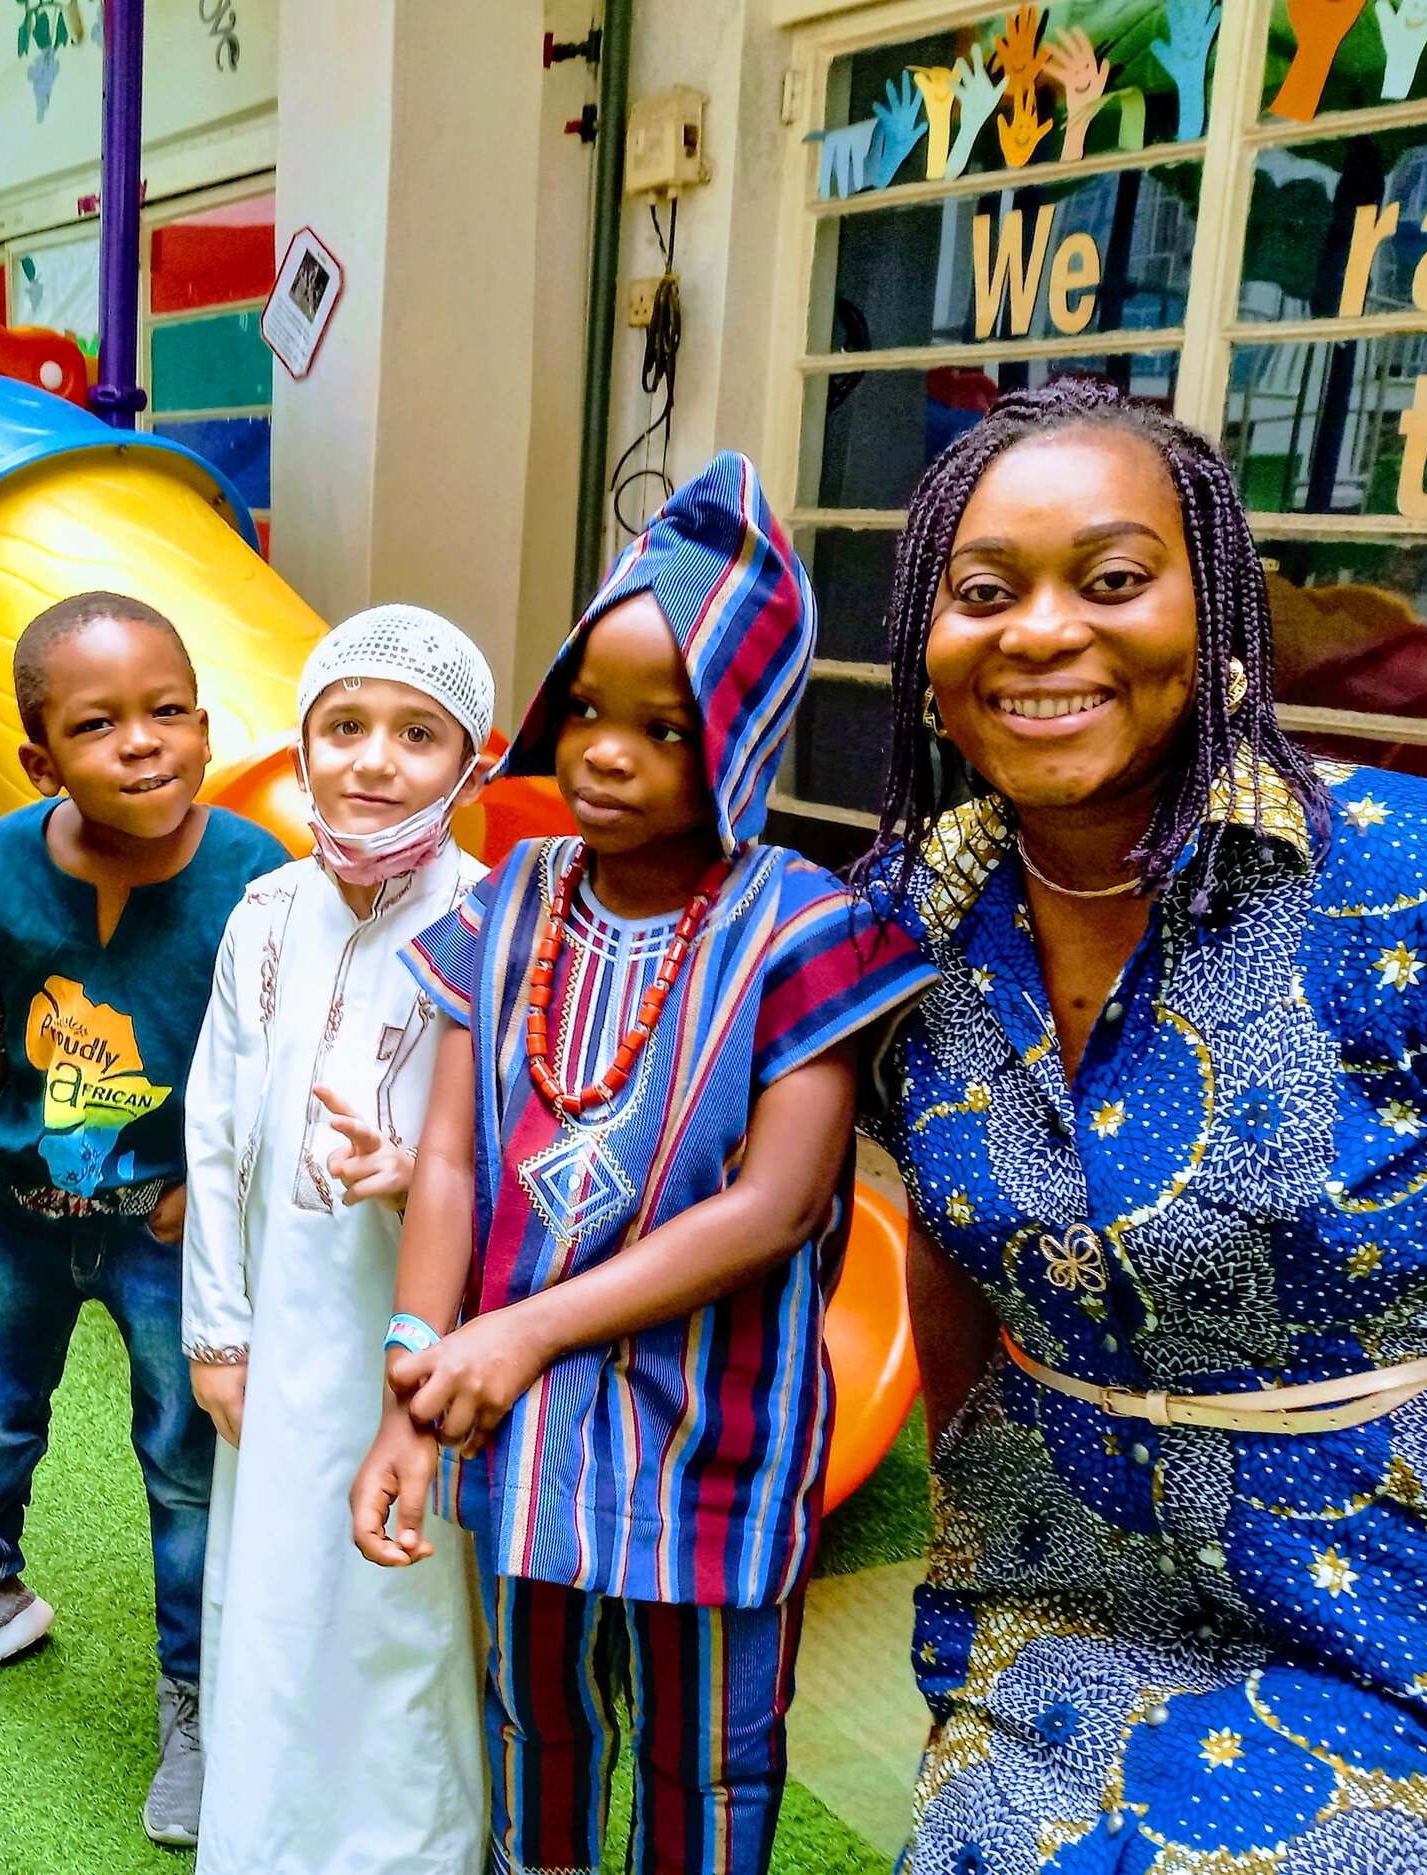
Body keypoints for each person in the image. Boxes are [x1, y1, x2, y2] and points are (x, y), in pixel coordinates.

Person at [861, 376, 1427, 1870]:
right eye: (985, 591)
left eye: (1113, 579)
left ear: (1218, 608)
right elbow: (940, 1239)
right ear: (929, 643)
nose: (1041, 630)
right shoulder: (897, 938)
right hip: (1062, 1605)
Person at [352, 456, 935, 1875]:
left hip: (713, 1432)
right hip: (519, 1423)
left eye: (664, 728)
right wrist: (416, 1376)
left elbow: (781, 1204)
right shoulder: (512, 905)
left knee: (710, 1744)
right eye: (592, 712)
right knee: (532, 1717)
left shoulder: (801, 927)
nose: (608, 752)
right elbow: (446, 1157)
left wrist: (518, 1328)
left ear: (739, 741)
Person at [0, 591, 285, 1849]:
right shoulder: (1, 856)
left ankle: (202, 1693)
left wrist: (203, 1194)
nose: (143, 742)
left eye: (167, 712)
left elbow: (270, 1065)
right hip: (16, 1219)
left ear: (205, 727)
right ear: (42, 759)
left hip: (167, 1237)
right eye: (101, 724)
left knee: (184, 1464)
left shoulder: (255, 877)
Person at [181, 605, 494, 1875]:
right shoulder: (262, 909)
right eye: (344, 726)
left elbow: (518, 1152)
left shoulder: (499, 922)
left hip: (420, 1338)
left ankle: (407, 1847)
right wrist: (216, 1331)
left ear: (473, 760)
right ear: (301, 746)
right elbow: (212, 1130)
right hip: (275, 1327)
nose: (373, 760)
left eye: (417, 733)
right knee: (272, 1585)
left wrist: (414, 1173)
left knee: (399, 1601)